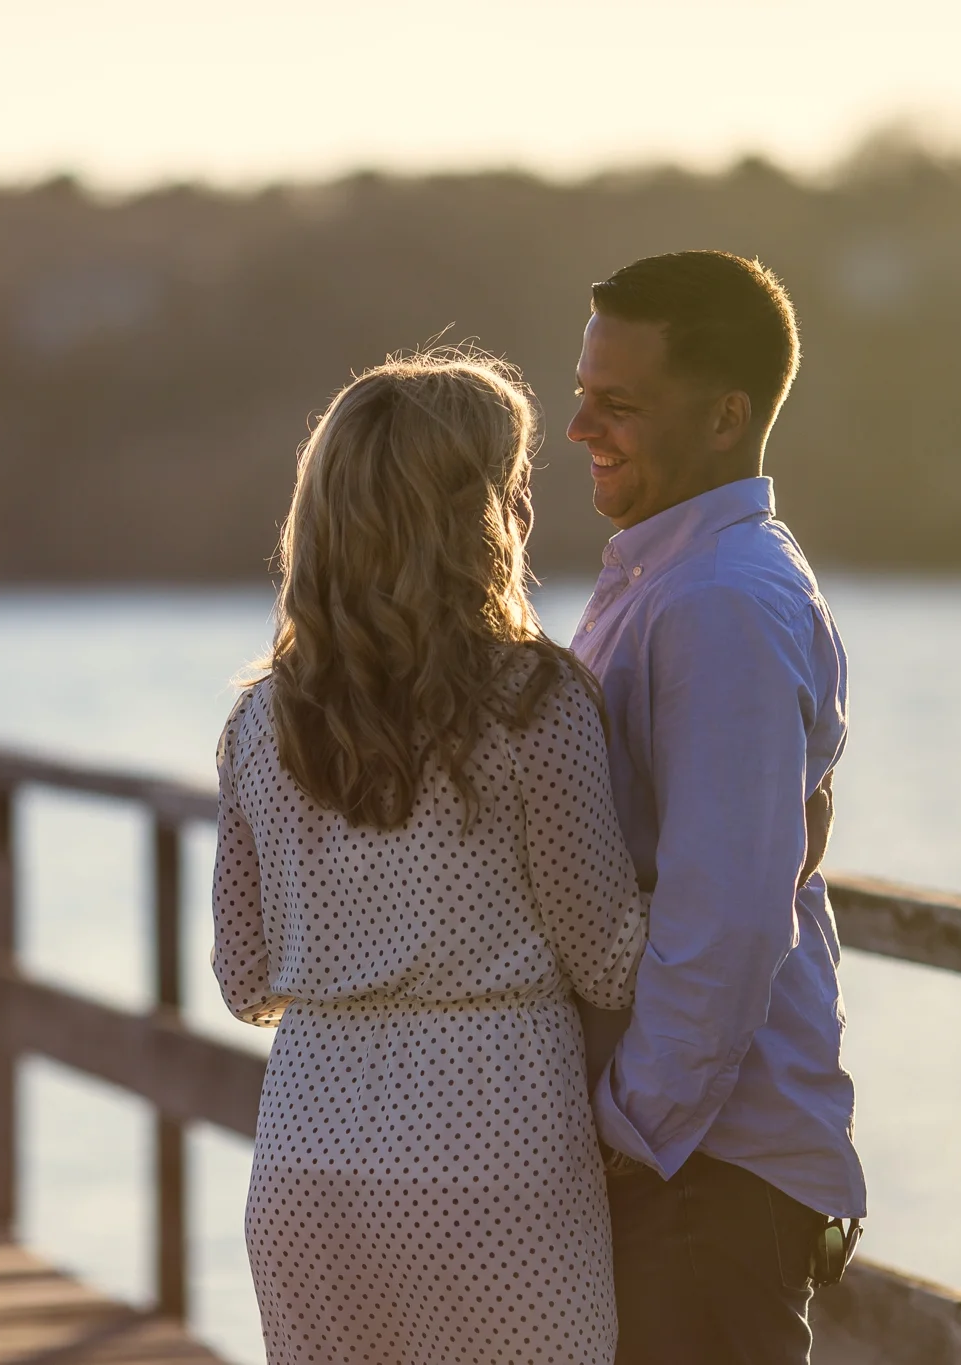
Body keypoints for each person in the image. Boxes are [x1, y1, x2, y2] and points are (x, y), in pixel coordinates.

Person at [211, 350, 650, 1365]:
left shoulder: (259, 721)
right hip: (493, 1146)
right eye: (514, 482)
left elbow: (242, 982)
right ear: (479, 519)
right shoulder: (531, 702)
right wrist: (755, 875)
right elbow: (608, 961)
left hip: (307, 1152)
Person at [563, 250, 865, 1365]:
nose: (578, 426)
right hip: (686, 1159)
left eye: (618, 404)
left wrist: (629, 1136)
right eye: (583, 393)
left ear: (726, 416)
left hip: (700, 1171)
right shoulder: (674, 577)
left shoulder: (719, 604)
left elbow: (728, 914)